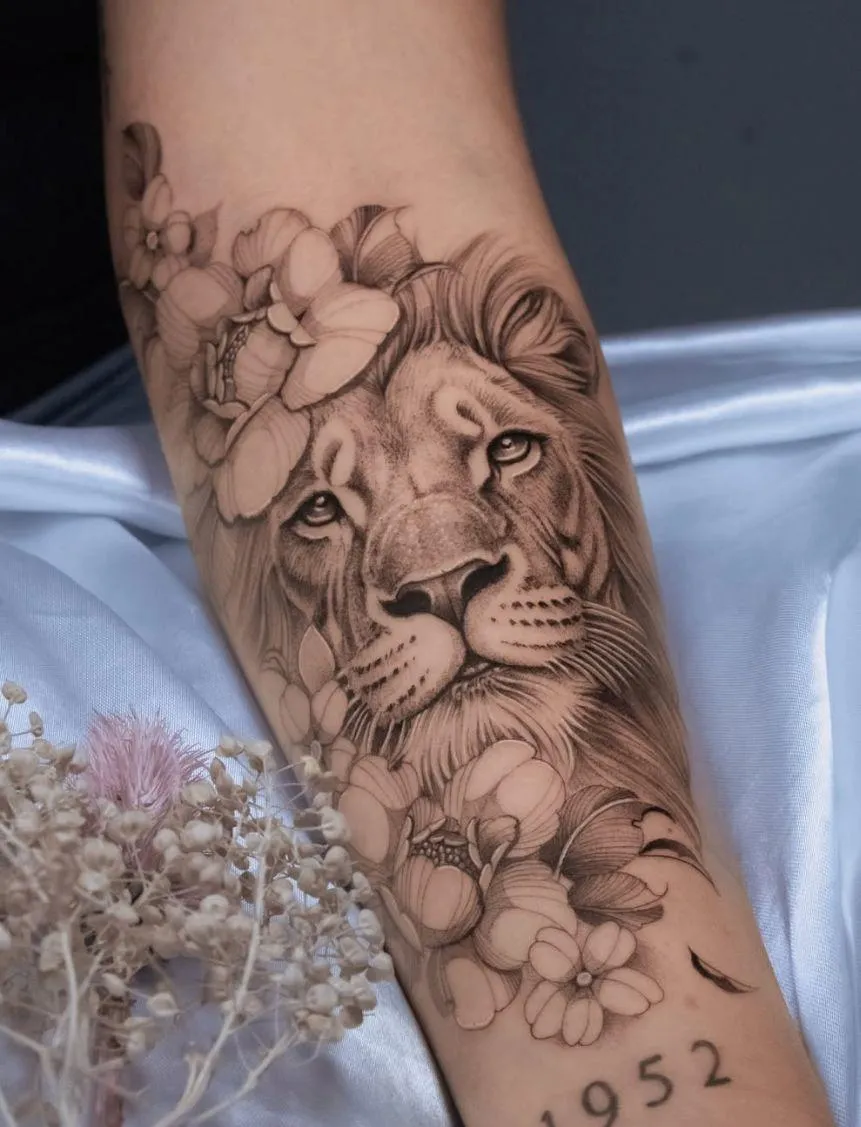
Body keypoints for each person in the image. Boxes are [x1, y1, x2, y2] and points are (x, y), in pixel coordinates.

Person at [101, 4, 834, 1124]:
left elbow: (335, 131)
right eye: (321, 507)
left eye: (507, 449)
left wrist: (660, 1083)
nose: (442, 566)